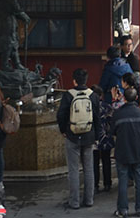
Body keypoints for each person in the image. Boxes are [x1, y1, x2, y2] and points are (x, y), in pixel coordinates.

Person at [57, 68, 101, 209]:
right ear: (86, 80)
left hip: (72, 135)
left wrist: (63, 130)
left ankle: (74, 202)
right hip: (89, 135)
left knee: (73, 170)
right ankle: (89, 200)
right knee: (89, 169)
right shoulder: (93, 95)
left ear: (74, 81)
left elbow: (61, 115)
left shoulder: (68, 95)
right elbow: (97, 118)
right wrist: (97, 135)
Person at [111, 87, 140, 218]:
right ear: (136, 98)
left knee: (123, 181)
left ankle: (123, 210)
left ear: (124, 98)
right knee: (139, 181)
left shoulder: (117, 114)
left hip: (122, 152)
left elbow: (112, 132)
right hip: (138, 152)